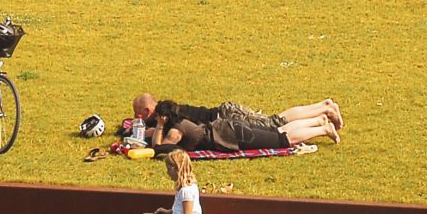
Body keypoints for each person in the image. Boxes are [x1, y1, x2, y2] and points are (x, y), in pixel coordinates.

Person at [149, 106, 337, 154]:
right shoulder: (182, 120)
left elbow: (160, 148)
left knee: (282, 140)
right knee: (277, 130)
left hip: (231, 135)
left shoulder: (176, 131)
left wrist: (159, 126)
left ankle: (323, 129)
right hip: (229, 126)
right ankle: (318, 121)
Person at [131, 94, 343, 136]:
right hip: (225, 112)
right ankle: (320, 116)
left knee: (274, 124)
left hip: (228, 117)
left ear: (147, 111)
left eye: (138, 114)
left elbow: (156, 134)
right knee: (274, 123)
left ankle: (324, 107)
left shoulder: (164, 117)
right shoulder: (167, 106)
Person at [136, 151, 201, 214]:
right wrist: (168, 212)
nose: (167, 172)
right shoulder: (185, 186)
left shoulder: (186, 191)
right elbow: (183, 209)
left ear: (176, 169)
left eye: (168, 169)